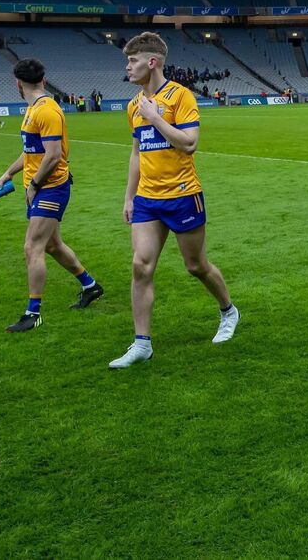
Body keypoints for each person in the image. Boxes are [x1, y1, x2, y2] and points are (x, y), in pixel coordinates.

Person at [108, 32, 240, 369]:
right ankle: (142, 343)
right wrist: (129, 197)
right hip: (148, 199)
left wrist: (156, 117)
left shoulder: (181, 96)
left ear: (152, 62)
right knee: (141, 265)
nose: (128, 67)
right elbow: (137, 152)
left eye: (133, 61)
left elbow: (190, 143)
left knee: (196, 266)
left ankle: (228, 310)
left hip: (183, 195)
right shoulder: (133, 106)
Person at [0, 59, 104, 333]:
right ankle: (90, 286)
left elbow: (53, 156)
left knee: (32, 247)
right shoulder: (34, 109)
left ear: (18, 84)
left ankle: (33, 314)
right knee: (53, 245)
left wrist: (34, 184)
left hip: (51, 187)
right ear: (43, 79)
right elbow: (33, 151)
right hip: (39, 186)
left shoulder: (47, 110)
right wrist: (10, 172)